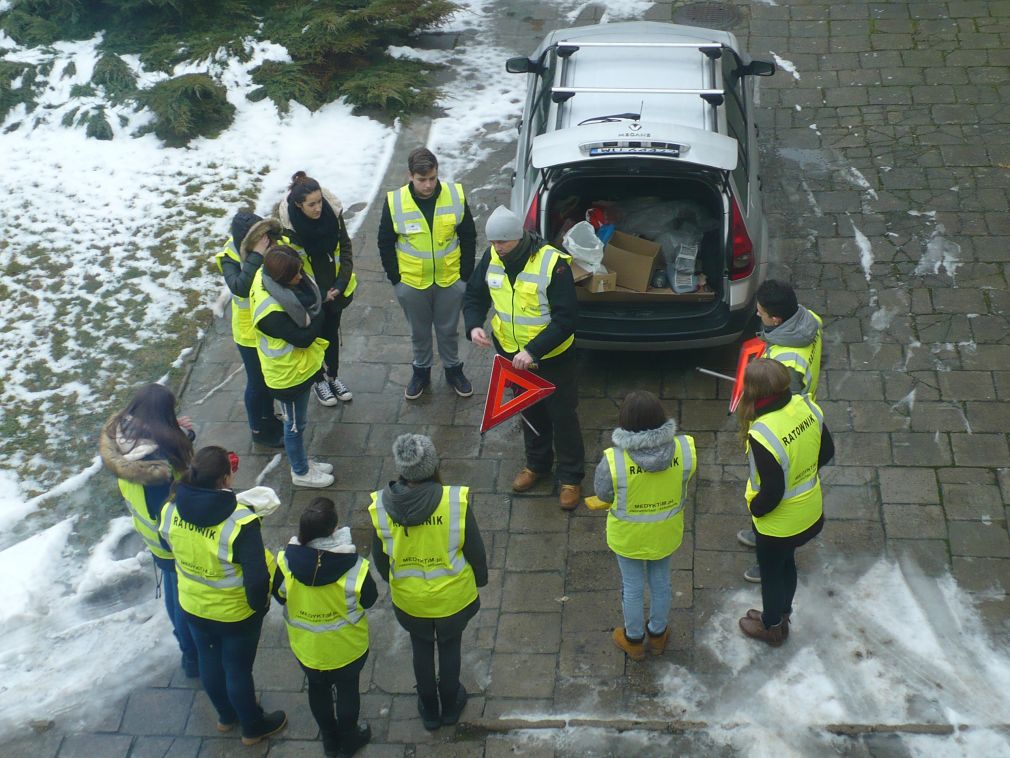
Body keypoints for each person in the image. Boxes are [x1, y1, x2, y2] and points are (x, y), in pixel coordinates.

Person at [159, 446, 287, 745]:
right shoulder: (240, 521)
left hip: (192, 605)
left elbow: (168, 547)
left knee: (209, 660)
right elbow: (256, 580)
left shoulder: (170, 509)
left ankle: (226, 716)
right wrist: (261, 607)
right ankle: (253, 727)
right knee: (237, 669)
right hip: (235, 614)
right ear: (225, 479)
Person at [463, 205, 585, 510]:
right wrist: (474, 325)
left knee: (563, 416)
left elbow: (566, 319)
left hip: (553, 359)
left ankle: (570, 477)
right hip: (511, 356)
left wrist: (532, 351)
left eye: (501, 242)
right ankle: (537, 464)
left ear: (517, 237)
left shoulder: (553, 265)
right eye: (492, 242)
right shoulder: (492, 259)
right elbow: (475, 296)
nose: (496, 248)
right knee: (530, 414)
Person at [368, 434, 487, 730]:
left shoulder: (381, 507)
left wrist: (391, 580)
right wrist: (480, 579)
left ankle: (429, 710)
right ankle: (450, 706)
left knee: (421, 647)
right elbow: (474, 549)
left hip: (410, 600)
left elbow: (380, 557)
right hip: (452, 598)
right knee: (450, 646)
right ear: (433, 466)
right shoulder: (453, 502)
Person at [586, 391, 696, 660]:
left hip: (628, 538)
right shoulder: (685, 449)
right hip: (666, 532)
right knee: (661, 582)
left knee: (632, 587)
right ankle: (658, 634)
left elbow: (604, 495)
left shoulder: (613, 460)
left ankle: (634, 640)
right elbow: (685, 478)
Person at [98, 383, 198, 677]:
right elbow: (173, 504)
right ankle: (191, 655)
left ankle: (185, 643)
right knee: (181, 595)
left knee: (170, 584)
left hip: (150, 534)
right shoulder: (157, 471)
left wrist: (176, 431)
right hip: (168, 539)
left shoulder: (122, 435)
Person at [735, 359, 834, 647]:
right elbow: (827, 451)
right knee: (787, 563)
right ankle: (781, 614)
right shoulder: (808, 407)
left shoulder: (763, 432)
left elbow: (773, 491)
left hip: (778, 523)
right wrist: (802, 471)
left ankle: (772, 627)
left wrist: (755, 510)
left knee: (771, 574)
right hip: (809, 510)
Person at [273, 498, 376, 757]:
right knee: (348, 691)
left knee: (317, 690)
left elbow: (279, 595)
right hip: (347, 648)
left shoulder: (286, 563)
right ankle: (350, 739)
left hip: (308, 649)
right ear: (333, 529)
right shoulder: (354, 567)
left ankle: (330, 741)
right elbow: (369, 599)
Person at [738, 280, 824, 581]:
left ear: (776, 319)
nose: (757, 315)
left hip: (781, 432)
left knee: (771, 492)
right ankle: (758, 531)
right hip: (802, 414)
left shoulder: (786, 365)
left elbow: (780, 405)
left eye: (760, 312)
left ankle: (770, 557)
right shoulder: (808, 320)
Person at [377, 147, 477, 400]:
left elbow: (468, 235)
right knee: (418, 332)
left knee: (449, 329)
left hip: (450, 279)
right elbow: (385, 242)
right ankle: (421, 371)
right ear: (410, 176)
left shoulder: (454, 195)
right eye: (422, 180)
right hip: (411, 283)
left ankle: (453, 369)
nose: (428, 185)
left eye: (432, 178)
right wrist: (396, 280)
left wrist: (464, 275)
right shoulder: (395, 201)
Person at [249, 246, 334, 488]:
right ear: (281, 279)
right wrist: (320, 313)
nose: (301, 277)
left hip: (297, 370)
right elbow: (304, 337)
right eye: (295, 275)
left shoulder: (265, 274)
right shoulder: (272, 314)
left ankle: (303, 462)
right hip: (287, 377)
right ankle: (300, 471)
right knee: (295, 425)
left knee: (297, 422)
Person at [276, 171, 357, 406]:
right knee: (312, 340)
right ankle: (318, 381)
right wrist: (319, 295)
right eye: (311, 204)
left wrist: (340, 284)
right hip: (309, 297)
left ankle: (333, 376)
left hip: (335, 292)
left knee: (331, 336)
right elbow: (290, 269)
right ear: (299, 205)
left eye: (320, 201)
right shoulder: (288, 229)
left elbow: (346, 248)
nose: (318, 208)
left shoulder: (333, 213)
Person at [216, 210, 284, 447]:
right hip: (249, 333)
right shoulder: (230, 256)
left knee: (268, 379)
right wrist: (255, 256)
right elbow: (240, 287)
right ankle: (259, 430)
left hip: (268, 324)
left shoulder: (267, 244)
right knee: (257, 382)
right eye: (258, 238)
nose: (265, 241)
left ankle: (269, 418)